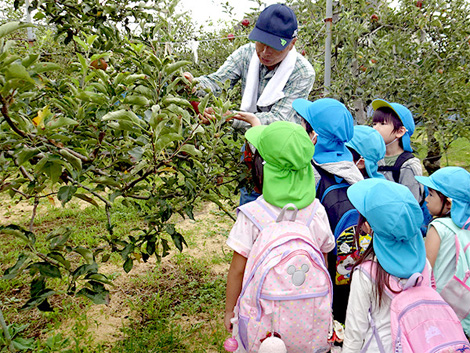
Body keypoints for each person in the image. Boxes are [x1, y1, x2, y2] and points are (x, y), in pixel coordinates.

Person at [224, 121, 335, 352]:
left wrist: (229, 310)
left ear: (262, 168)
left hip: (264, 328)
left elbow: (238, 269)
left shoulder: (253, 215)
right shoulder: (316, 212)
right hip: (309, 321)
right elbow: (322, 260)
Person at [184, 3, 315, 129]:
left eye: (274, 47)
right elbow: (218, 82)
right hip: (250, 140)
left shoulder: (302, 72)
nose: (264, 52)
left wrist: (232, 117)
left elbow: (278, 119)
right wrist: (193, 84)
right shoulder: (246, 54)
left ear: (292, 43)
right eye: (261, 43)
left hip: (284, 145)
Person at [292, 97, 363, 324]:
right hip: (353, 271)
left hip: (316, 265)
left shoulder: (309, 172)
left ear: (314, 135)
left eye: (303, 124)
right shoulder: (353, 170)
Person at [342, 178, 429, 352]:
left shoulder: (366, 273)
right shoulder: (424, 264)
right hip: (417, 344)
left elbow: (354, 335)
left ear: (369, 226)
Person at [415, 167, 470, 334]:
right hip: (463, 306)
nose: (426, 200)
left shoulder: (438, 227)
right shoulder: (466, 225)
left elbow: (426, 269)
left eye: (431, 194)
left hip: (440, 306)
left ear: (448, 202)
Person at [371, 99, 424, 203]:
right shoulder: (373, 159)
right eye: (374, 124)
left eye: (382, 123)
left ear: (400, 131)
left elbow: (411, 204)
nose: (375, 128)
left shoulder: (408, 166)